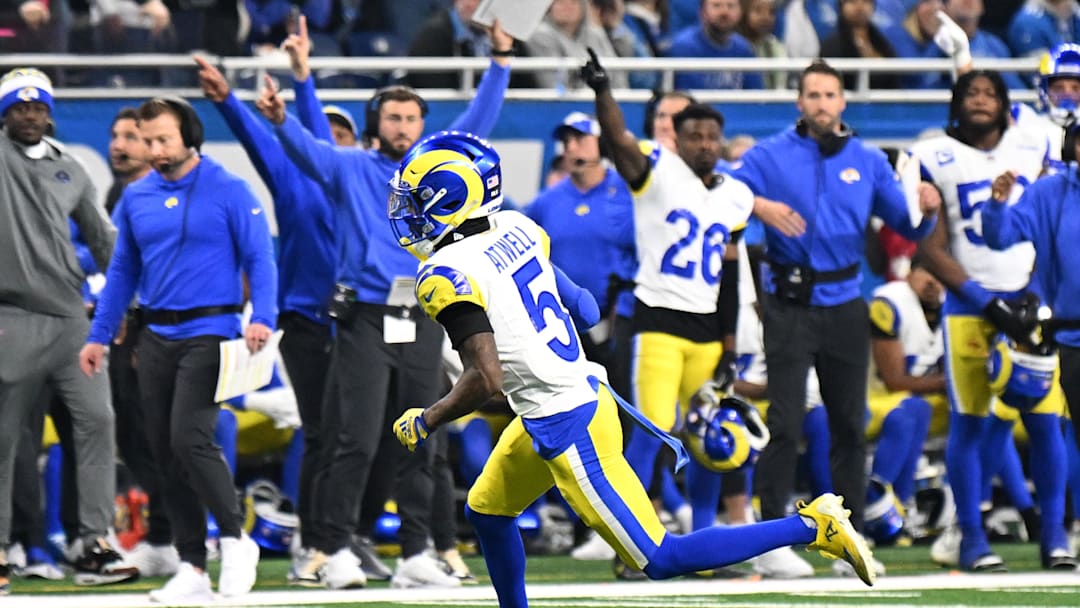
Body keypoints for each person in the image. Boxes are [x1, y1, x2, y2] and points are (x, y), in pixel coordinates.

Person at [387, 129, 876, 608]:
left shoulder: (445, 273)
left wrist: (427, 418)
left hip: (565, 421)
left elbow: (485, 378)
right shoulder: (516, 227)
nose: (407, 212)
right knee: (488, 512)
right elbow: (584, 307)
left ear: (450, 197)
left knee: (662, 557)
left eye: (415, 199)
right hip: (571, 395)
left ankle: (814, 526)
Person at [253, 19, 515, 590]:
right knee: (355, 439)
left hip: (423, 317)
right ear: (377, 125)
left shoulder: (439, 170)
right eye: (393, 118)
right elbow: (307, 148)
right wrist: (284, 112)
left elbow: (479, 123)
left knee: (426, 431)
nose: (403, 127)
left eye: (412, 118)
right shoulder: (349, 168)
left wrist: (499, 63)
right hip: (365, 318)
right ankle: (332, 548)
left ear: (424, 126)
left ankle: (419, 551)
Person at [729, 59, 941, 573]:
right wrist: (757, 204)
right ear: (799, 102)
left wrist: (928, 207)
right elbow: (720, 193)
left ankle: (848, 544)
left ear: (843, 102)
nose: (822, 104)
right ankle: (771, 543)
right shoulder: (769, 154)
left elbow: (906, 225)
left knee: (849, 424)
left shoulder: (867, 160)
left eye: (830, 95)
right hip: (788, 304)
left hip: (845, 303)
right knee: (783, 423)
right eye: (813, 95)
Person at [79, 96, 274, 602]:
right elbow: (123, 271)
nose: (154, 149)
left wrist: (264, 320)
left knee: (190, 438)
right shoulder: (136, 197)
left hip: (212, 330)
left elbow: (260, 257)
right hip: (155, 336)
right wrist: (99, 336)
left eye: (163, 138)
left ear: (190, 136)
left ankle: (235, 538)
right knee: (163, 451)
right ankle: (192, 564)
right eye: (147, 140)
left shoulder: (230, 189)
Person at [194, 19, 355, 584]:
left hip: (359, 324)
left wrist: (303, 80)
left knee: (353, 438)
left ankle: (337, 538)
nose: (331, 141)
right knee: (320, 435)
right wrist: (233, 102)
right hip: (308, 320)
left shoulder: (361, 183)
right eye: (325, 133)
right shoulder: (292, 180)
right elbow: (267, 140)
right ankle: (313, 544)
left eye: (342, 135)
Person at [913, 69, 1074, 571]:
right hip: (969, 307)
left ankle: (1055, 538)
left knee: (1046, 422)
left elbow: (1046, 231)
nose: (980, 100)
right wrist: (985, 301)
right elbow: (930, 246)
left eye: (990, 93)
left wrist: (1027, 296)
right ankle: (973, 538)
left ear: (1007, 105)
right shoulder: (932, 153)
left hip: (1029, 306)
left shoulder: (1034, 145)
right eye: (971, 92)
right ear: (956, 104)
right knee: (971, 424)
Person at [0, 67, 139, 595]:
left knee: (99, 420)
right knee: (4, 436)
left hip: (71, 319)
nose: (29, 115)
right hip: (10, 316)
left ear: (49, 112)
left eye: (37, 107)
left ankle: (94, 542)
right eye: (18, 107)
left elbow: (107, 242)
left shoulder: (72, 169)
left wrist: (121, 306)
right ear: (5, 114)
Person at [102, 107, 181, 578]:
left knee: (161, 439)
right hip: (127, 331)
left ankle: (174, 536)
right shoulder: (120, 192)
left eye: (132, 136)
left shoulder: (154, 195)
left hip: (150, 332)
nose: (121, 145)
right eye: (116, 135)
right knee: (136, 439)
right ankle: (163, 534)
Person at [666, 0, 765, 89]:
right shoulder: (683, 47)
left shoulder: (744, 49)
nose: (724, 12)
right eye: (716, 5)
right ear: (702, 12)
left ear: (740, 12)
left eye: (731, 6)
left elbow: (756, 97)